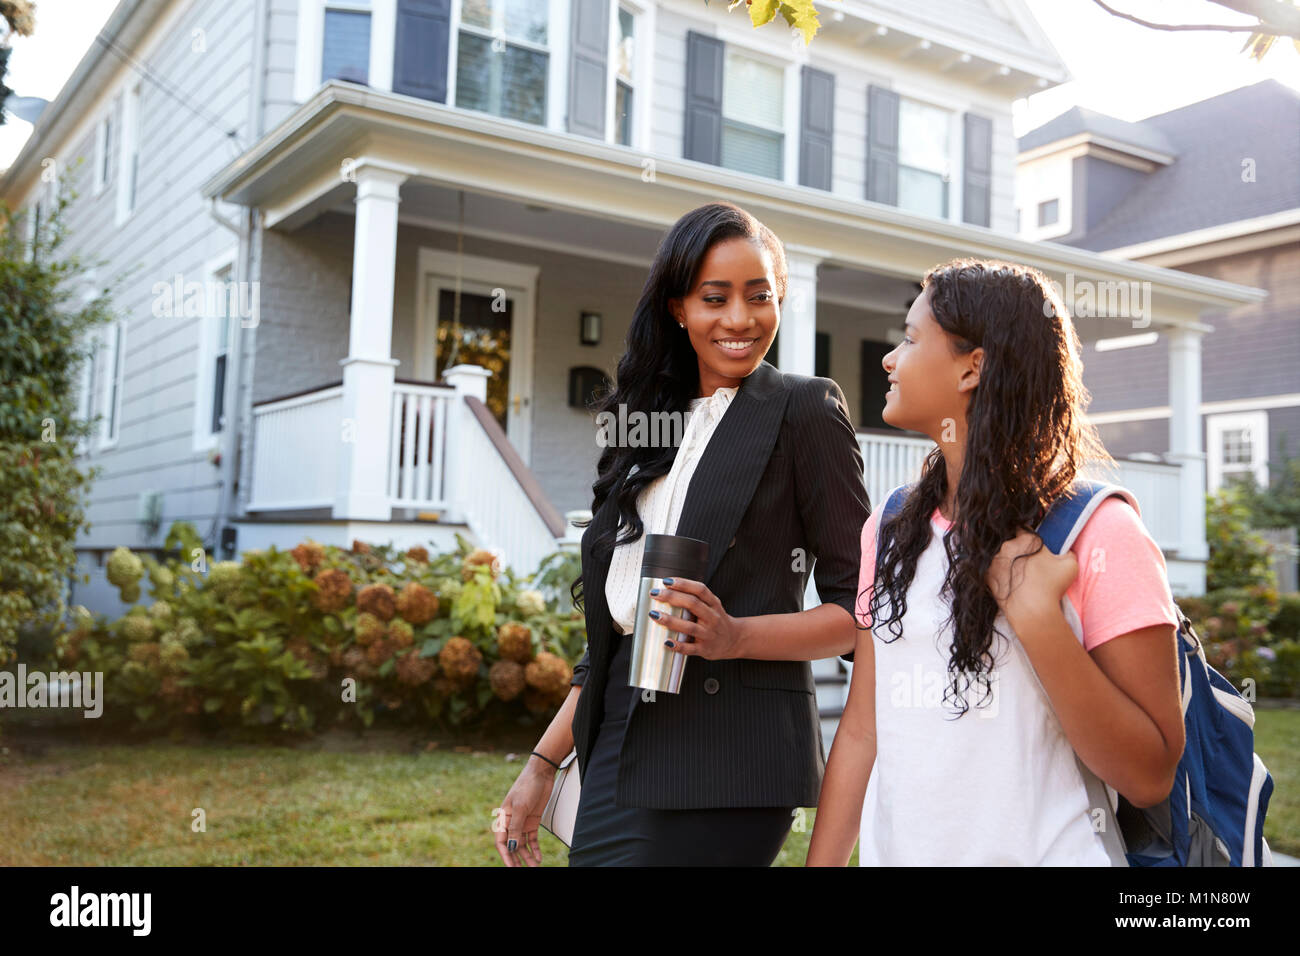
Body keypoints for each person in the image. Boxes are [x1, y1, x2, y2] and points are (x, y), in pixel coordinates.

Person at [494, 201, 870, 866]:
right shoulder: (643, 424)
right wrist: (543, 764)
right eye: (714, 297)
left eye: (760, 296)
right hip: (617, 739)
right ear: (677, 307)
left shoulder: (802, 411)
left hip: (729, 755)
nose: (739, 319)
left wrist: (738, 636)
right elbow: (618, 633)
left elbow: (859, 612)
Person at [807, 258, 1185, 866]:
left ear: (972, 367)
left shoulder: (1097, 531)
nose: (889, 358)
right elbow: (861, 731)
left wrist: (1038, 620)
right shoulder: (891, 526)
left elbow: (1149, 774)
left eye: (909, 337)